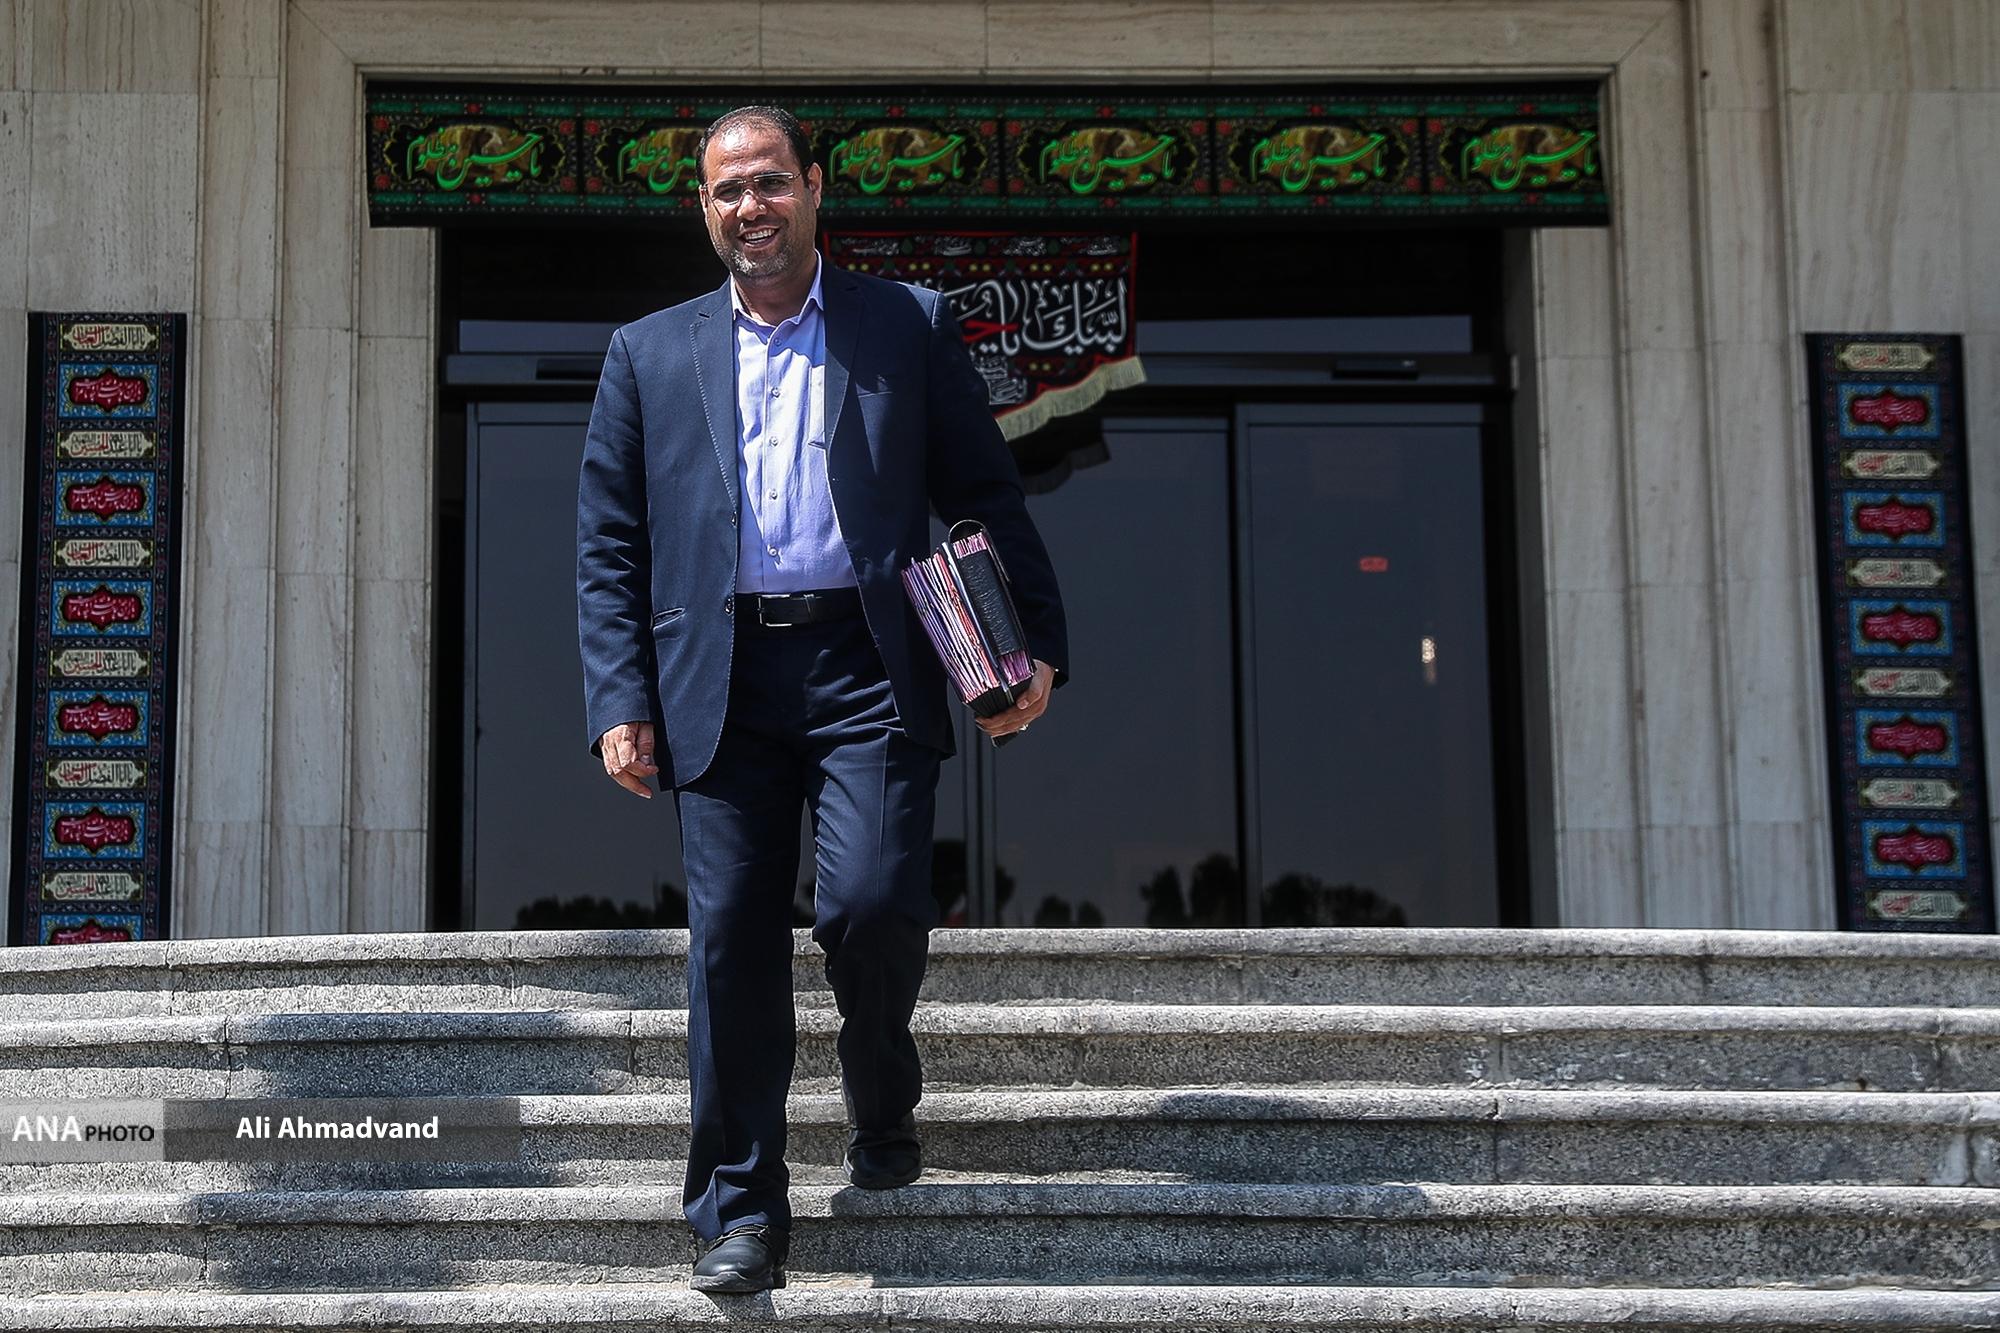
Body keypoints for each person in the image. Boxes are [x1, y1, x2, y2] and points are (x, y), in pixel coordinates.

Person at [575, 104, 1070, 1294]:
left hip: (868, 661)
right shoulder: (647, 352)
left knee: (872, 903)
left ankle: (878, 1086)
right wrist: (618, 696)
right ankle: (739, 1213)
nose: (749, 207)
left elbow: (982, 490)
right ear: (703, 208)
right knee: (730, 942)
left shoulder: (904, 323)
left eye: (769, 183)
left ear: (812, 187)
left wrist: (1034, 644)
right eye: (726, 190)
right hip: (720, 677)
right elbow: (609, 542)